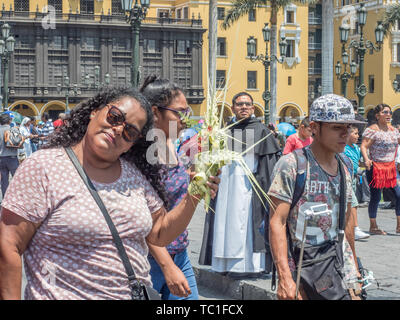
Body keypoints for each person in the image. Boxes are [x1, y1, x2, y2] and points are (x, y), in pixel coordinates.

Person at [0, 86, 219, 300]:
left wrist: (195, 194)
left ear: (131, 144)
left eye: (129, 131)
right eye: (115, 117)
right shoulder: (44, 166)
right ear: (95, 111)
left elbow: (160, 233)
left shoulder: (133, 176)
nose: (117, 129)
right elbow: (9, 245)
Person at [268, 94, 364, 300]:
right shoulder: (292, 165)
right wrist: (285, 278)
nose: (345, 134)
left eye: (348, 127)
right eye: (337, 127)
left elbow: (347, 222)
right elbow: (277, 221)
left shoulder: (345, 165)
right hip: (301, 265)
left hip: (336, 262)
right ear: (314, 127)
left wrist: (353, 270)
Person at [199, 92, 281, 278]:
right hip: (225, 185)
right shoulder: (224, 131)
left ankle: (249, 267)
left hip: (248, 186)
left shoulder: (261, 131)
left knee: (246, 224)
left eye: (247, 104)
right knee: (224, 223)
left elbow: (269, 165)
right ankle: (224, 263)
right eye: (239, 104)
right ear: (233, 107)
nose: (243, 107)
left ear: (252, 108)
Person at [140, 75, 199, 300]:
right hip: (149, 261)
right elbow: (142, 221)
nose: (185, 119)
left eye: (187, 112)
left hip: (179, 253)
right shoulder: (139, 155)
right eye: (179, 112)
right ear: (155, 112)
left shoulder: (172, 142)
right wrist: (167, 266)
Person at [361, 104, 400, 235]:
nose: (389, 114)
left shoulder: (394, 131)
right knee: (376, 197)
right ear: (377, 116)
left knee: (399, 195)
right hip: (375, 167)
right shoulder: (373, 130)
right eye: (385, 112)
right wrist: (366, 159)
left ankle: (399, 225)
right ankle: (373, 226)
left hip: (390, 167)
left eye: (390, 112)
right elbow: (364, 146)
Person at [344, 126, 369, 240]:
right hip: (346, 178)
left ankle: (348, 227)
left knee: (351, 204)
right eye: (355, 133)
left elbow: (358, 162)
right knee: (353, 203)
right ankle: (355, 228)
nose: (358, 136)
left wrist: (367, 164)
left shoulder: (356, 148)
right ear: (347, 134)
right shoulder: (343, 147)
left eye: (358, 134)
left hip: (354, 178)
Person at [0, 113, 21, 199]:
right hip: (12, 158)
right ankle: (17, 198)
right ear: (9, 121)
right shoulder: (13, 130)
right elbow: (19, 142)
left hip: (1, 158)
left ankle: (5, 199)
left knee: (4, 180)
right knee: (16, 179)